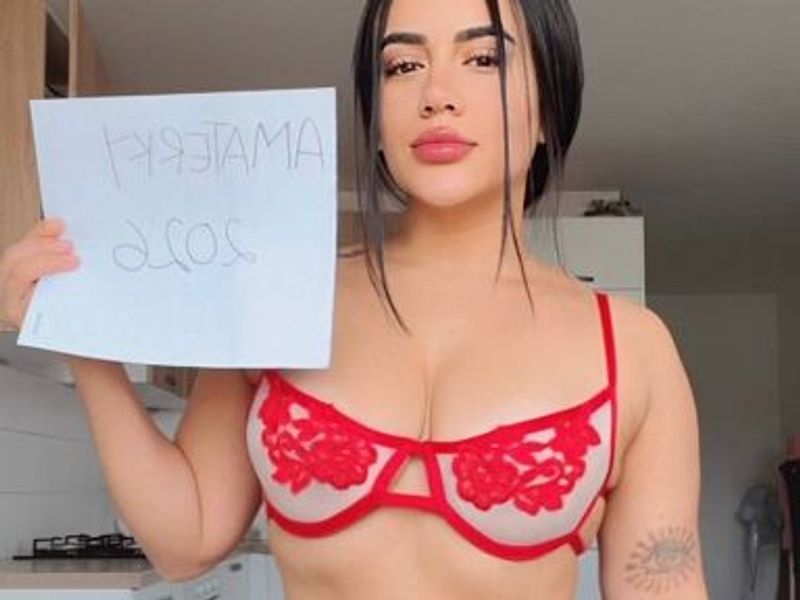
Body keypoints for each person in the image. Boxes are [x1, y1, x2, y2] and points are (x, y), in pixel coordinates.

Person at [0, 0, 709, 597]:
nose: (436, 93)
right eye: (403, 65)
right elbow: (186, 541)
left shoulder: (632, 350)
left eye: (483, 58)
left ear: (551, 107)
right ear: (375, 115)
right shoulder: (281, 292)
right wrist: (79, 336)